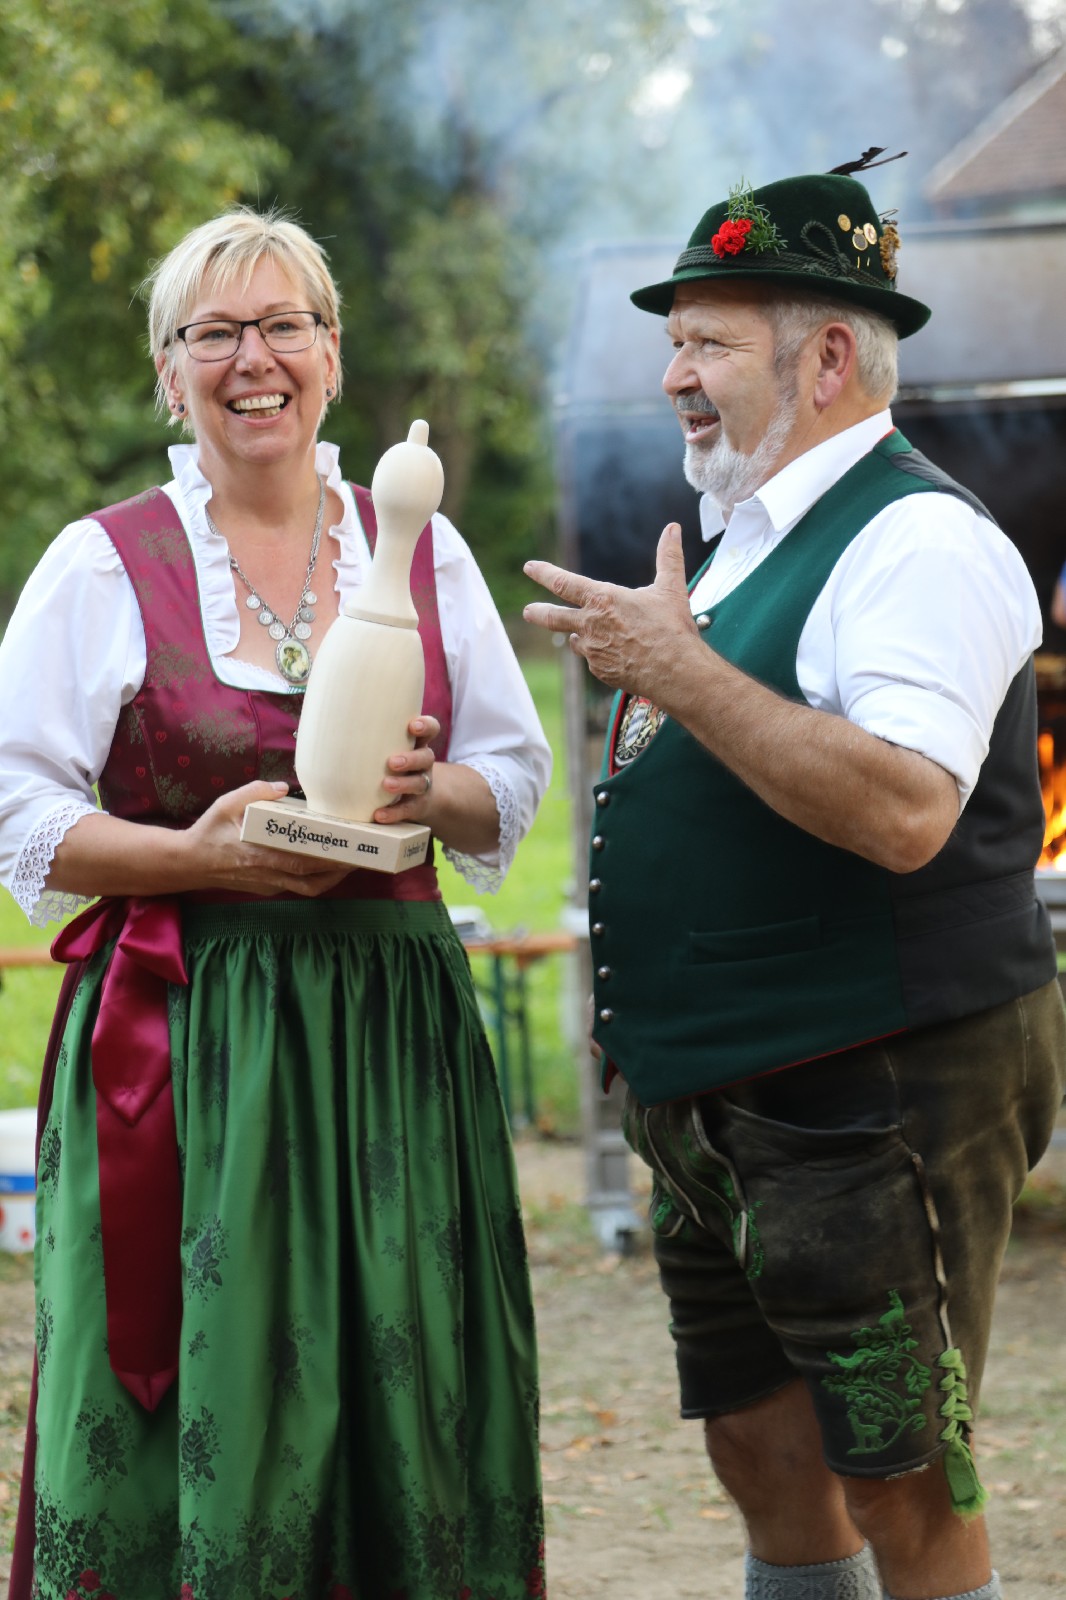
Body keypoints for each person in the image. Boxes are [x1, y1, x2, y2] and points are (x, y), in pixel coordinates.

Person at [523, 162, 1066, 1600]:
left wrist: (678, 667)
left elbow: (905, 811)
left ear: (825, 357)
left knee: (902, 1475)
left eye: (706, 342)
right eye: (674, 342)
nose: (671, 376)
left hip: (872, 1086)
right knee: (759, 1447)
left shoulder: (920, 539)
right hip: (725, 1098)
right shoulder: (738, 544)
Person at [0, 206, 551, 1600]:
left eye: (284, 325)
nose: (254, 359)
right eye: (215, 333)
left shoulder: (421, 546)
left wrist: (432, 793)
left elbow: (510, 778)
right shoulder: (103, 561)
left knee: (401, 1368)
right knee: (218, 1370)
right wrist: (198, 856)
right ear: (169, 373)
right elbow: (17, 810)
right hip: (195, 1034)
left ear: (333, 354)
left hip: (388, 1032)